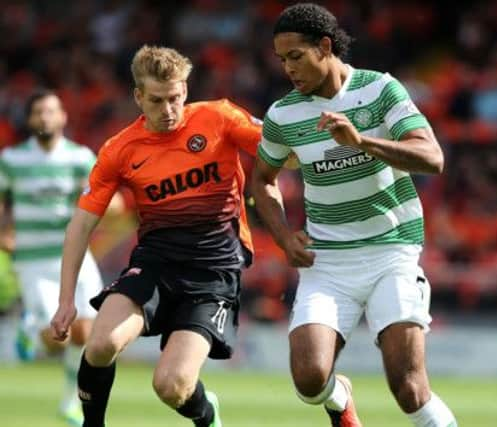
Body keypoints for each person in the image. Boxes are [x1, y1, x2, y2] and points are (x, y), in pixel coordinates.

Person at [251, 4, 457, 427]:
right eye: (282, 59)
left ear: (325, 46)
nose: (288, 68)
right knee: (309, 380)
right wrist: (284, 236)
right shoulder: (283, 115)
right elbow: (262, 180)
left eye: (296, 56)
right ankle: (339, 397)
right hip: (327, 261)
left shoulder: (381, 90)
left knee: (409, 390)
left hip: (391, 252)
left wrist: (361, 140)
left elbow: (432, 157)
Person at [50, 45, 261, 427]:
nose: (169, 110)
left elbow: (278, 149)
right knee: (100, 344)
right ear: (138, 97)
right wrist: (67, 301)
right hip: (156, 263)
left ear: (186, 90)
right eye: (158, 100)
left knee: (171, 386)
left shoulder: (220, 117)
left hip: (213, 272)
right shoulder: (120, 149)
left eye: (176, 98)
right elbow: (81, 225)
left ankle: (206, 413)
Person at [0, 90, 106, 426]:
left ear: (63, 117)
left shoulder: (79, 157)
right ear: (30, 119)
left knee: (85, 332)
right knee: (56, 338)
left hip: (74, 255)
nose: (46, 117)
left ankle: (69, 402)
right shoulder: (11, 160)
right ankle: (30, 328)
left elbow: (97, 198)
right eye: (39, 112)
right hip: (32, 258)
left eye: (52, 111)